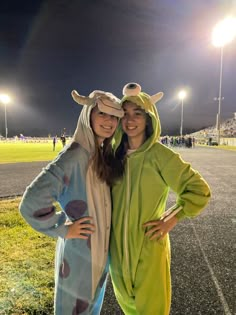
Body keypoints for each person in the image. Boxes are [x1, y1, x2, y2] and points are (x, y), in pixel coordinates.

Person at [19, 88, 124, 315]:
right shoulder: (75, 155)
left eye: (115, 117)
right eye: (102, 114)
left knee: (90, 308)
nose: (109, 122)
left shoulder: (100, 152)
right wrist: (63, 227)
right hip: (80, 256)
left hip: (98, 254)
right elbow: (31, 203)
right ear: (88, 115)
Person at [109, 83, 211, 315]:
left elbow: (198, 190)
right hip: (117, 250)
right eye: (124, 114)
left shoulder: (161, 155)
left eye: (138, 113)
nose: (130, 120)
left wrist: (171, 218)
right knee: (127, 306)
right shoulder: (113, 156)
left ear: (149, 118)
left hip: (149, 245)